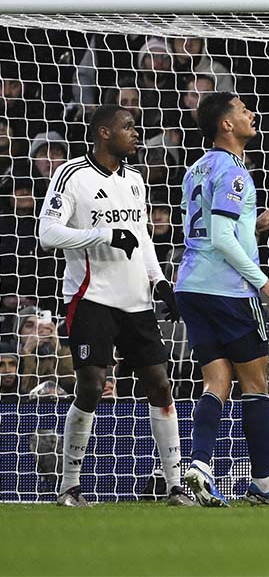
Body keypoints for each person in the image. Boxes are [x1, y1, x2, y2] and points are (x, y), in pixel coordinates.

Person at [36, 105, 191, 507]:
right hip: (91, 298)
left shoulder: (136, 179)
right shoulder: (72, 174)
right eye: (128, 127)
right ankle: (69, 486)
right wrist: (102, 235)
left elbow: (141, 236)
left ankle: (174, 487)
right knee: (90, 385)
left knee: (159, 383)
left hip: (136, 300)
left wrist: (160, 282)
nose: (136, 133)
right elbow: (47, 233)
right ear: (104, 133)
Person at [176, 92, 269, 507]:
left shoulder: (196, 169)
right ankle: (263, 486)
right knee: (256, 383)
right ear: (226, 124)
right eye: (243, 110)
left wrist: (254, 224)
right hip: (228, 290)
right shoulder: (235, 172)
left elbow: (211, 228)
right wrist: (262, 281)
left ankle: (199, 468)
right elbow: (222, 237)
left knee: (216, 381)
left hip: (191, 285)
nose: (252, 114)